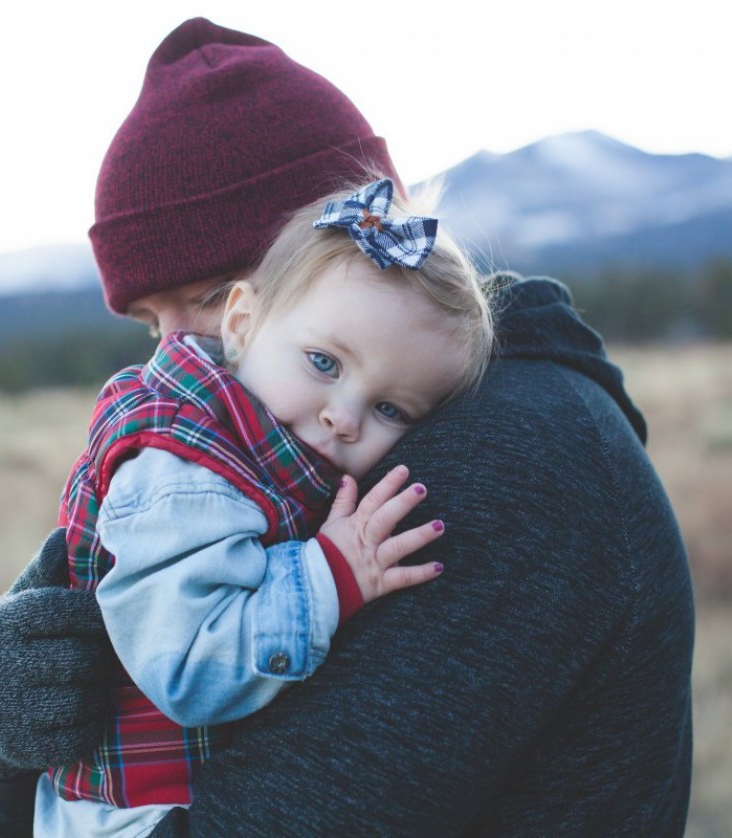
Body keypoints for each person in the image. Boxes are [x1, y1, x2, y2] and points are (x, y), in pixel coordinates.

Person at [0, 17, 695, 838]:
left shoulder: (509, 460)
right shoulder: (268, 447)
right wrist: (2, 729)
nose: (174, 357)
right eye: (147, 323)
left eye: (206, 298)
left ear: (346, 244)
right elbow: (25, 802)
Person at [38, 176, 494, 836]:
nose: (344, 418)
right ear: (243, 324)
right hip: (135, 818)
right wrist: (330, 575)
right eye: (323, 362)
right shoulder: (183, 471)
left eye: (390, 409)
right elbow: (189, 667)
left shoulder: (269, 442)